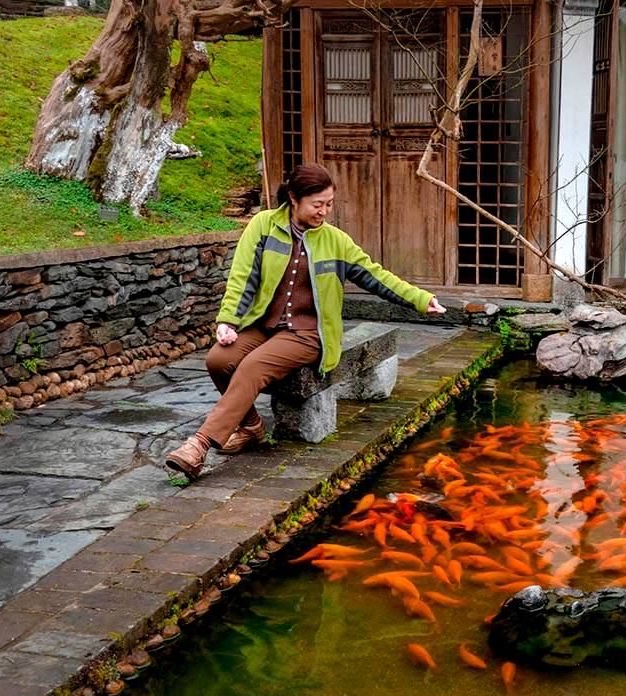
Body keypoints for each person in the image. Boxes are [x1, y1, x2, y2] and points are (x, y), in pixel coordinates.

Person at [165, 164, 446, 478]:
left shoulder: (336, 241)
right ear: (294, 198)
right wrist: (228, 321)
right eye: (317, 204)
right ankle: (251, 427)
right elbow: (242, 277)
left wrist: (420, 299)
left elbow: (375, 276)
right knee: (219, 360)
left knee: (252, 367)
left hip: (307, 334)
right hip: (263, 324)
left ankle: (199, 446)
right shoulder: (263, 225)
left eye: (329, 204)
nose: (324, 211)